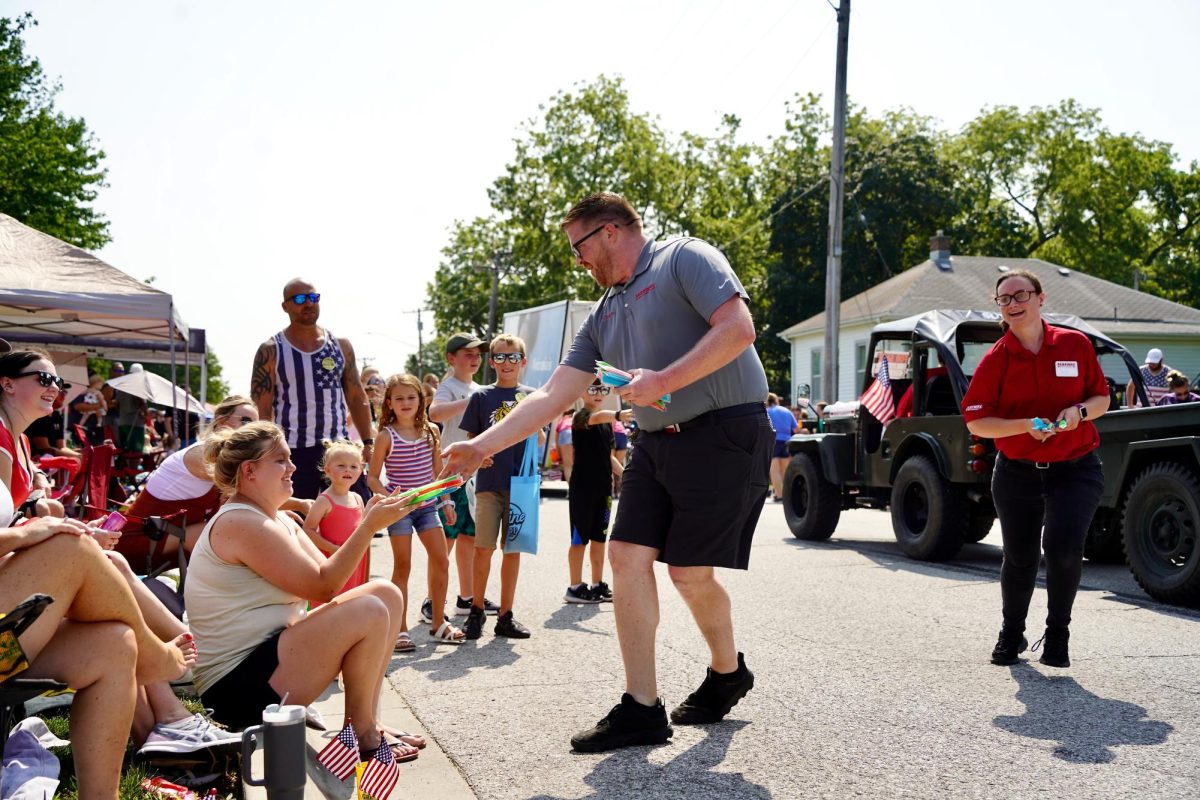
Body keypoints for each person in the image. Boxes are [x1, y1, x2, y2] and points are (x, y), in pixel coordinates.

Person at [444, 192, 772, 753]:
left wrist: (663, 380)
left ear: (611, 231)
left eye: (580, 247)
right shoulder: (602, 313)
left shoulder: (685, 259)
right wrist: (480, 445)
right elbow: (553, 394)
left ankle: (727, 671)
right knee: (624, 556)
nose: (578, 260)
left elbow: (739, 329)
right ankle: (642, 707)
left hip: (723, 434)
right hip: (654, 443)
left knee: (689, 574)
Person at [183, 420, 418, 760]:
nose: (293, 467)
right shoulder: (242, 522)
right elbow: (324, 587)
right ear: (250, 471)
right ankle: (362, 736)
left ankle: (368, 721)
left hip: (268, 664)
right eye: (280, 460)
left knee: (384, 593)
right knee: (368, 610)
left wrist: (368, 518)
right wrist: (369, 528)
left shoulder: (279, 519)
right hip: (235, 691)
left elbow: (329, 573)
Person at [0, 483, 194, 798]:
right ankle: (157, 658)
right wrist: (26, 535)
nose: (292, 468)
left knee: (115, 644)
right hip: (4, 643)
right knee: (72, 550)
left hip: (7, 641)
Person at [962, 269, 1109, 669]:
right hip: (1017, 471)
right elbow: (977, 422)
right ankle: (1012, 633)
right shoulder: (996, 359)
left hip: (1076, 468)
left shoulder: (1074, 344)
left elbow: (1100, 398)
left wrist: (1078, 413)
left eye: (1020, 294)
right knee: (1020, 556)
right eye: (1004, 299)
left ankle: (1058, 634)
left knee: (1063, 549)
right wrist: (1025, 426)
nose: (1012, 303)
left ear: (1041, 298)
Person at [117, 395, 311, 570]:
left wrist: (292, 507)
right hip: (139, 542)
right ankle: (302, 579)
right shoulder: (202, 455)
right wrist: (298, 504)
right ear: (221, 422)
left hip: (167, 538)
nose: (252, 427)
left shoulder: (219, 455)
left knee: (255, 523)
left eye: (255, 422)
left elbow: (254, 496)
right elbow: (254, 493)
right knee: (240, 527)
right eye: (245, 420)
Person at [250, 279, 374, 501]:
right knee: (295, 520)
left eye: (313, 297)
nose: (308, 303)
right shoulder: (271, 350)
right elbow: (263, 409)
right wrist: (267, 452)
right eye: (299, 299)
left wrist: (368, 443)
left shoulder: (340, 346)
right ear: (285, 306)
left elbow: (356, 397)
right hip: (294, 450)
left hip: (339, 448)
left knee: (357, 515)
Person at [366, 374, 463, 647]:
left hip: (429, 508)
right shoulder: (386, 436)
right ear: (390, 403)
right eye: (399, 398)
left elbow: (438, 473)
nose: (406, 402)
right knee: (403, 566)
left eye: (411, 397)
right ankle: (400, 628)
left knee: (441, 560)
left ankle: (438, 623)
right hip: (400, 511)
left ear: (421, 400)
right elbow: (372, 478)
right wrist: (392, 500)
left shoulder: (432, 431)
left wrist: (446, 502)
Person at [457, 334, 538, 641]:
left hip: (522, 483)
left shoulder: (532, 397)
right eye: (500, 357)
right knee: (483, 548)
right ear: (491, 362)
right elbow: (471, 440)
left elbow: (538, 438)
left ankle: (505, 615)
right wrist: (479, 455)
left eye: (513, 357)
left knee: (513, 549)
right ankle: (476, 610)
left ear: (523, 361)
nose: (507, 363)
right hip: (489, 484)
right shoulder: (481, 397)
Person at [429, 333, 499, 618]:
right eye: (467, 354)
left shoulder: (480, 388)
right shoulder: (449, 387)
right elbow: (435, 412)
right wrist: (472, 401)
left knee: (469, 536)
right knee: (446, 537)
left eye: (478, 354)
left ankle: (466, 598)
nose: (474, 358)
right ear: (451, 358)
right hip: (452, 472)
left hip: (475, 472)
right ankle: (431, 600)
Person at [564, 380, 630, 604]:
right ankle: (574, 586)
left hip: (604, 490)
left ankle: (597, 583)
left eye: (603, 389)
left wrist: (626, 475)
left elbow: (609, 456)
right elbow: (597, 417)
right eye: (593, 388)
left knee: (599, 539)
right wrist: (619, 414)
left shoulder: (606, 423)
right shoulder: (580, 417)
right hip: (582, 489)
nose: (598, 393)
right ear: (581, 392)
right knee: (579, 539)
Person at [0, 348, 68, 517]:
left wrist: (38, 474)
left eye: (57, 381)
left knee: (54, 510)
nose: (54, 388)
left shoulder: (21, 439)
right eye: (44, 379)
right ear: (8, 384)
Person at [302, 440, 371, 599]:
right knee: (334, 600)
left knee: (353, 598)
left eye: (354, 466)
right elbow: (308, 530)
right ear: (327, 470)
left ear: (360, 471)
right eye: (341, 465)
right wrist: (333, 549)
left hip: (354, 558)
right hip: (333, 559)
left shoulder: (357, 498)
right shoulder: (324, 500)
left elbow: (363, 532)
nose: (348, 470)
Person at [766, 393, 797, 502]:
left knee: (774, 470)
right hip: (787, 441)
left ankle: (779, 496)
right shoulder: (787, 411)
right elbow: (796, 428)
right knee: (785, 470)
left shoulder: (768, 411)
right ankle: (787, 495)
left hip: (774, 440)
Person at [71, 373, 108, 445]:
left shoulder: (87, 390)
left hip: (93, 428)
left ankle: (81, 426)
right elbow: (78, 406)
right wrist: (101, 406)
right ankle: (81, 427)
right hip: (87, 429)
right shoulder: (96, 392)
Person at [554, 409, 575, 481]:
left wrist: (559, 456)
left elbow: (557, 441)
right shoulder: (576, 419)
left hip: (566, 432)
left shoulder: (562, 420)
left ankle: (571, 488)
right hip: (576, 432)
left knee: (568, 466)